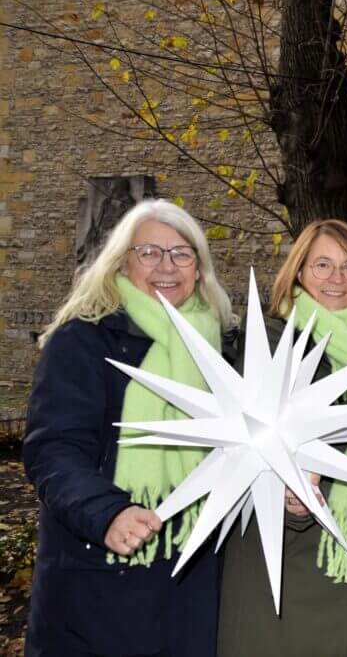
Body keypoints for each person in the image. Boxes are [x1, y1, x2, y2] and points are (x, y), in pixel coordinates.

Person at [23, 199, 233, 656]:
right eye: (149, 252)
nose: (166, 266)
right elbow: (53, 449)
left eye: (181, 253)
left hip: (191, 573)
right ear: (122, 261)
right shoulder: (82, 339)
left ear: (199, 269)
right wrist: (108, 512)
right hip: (99, 572)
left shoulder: (222, 348)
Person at [217, 220, 347, 656]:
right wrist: (285, 492)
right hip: (292, 548)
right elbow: (238, 444)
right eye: (322, 264)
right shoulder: (265, 341)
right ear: (299, 272)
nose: (336, 279)